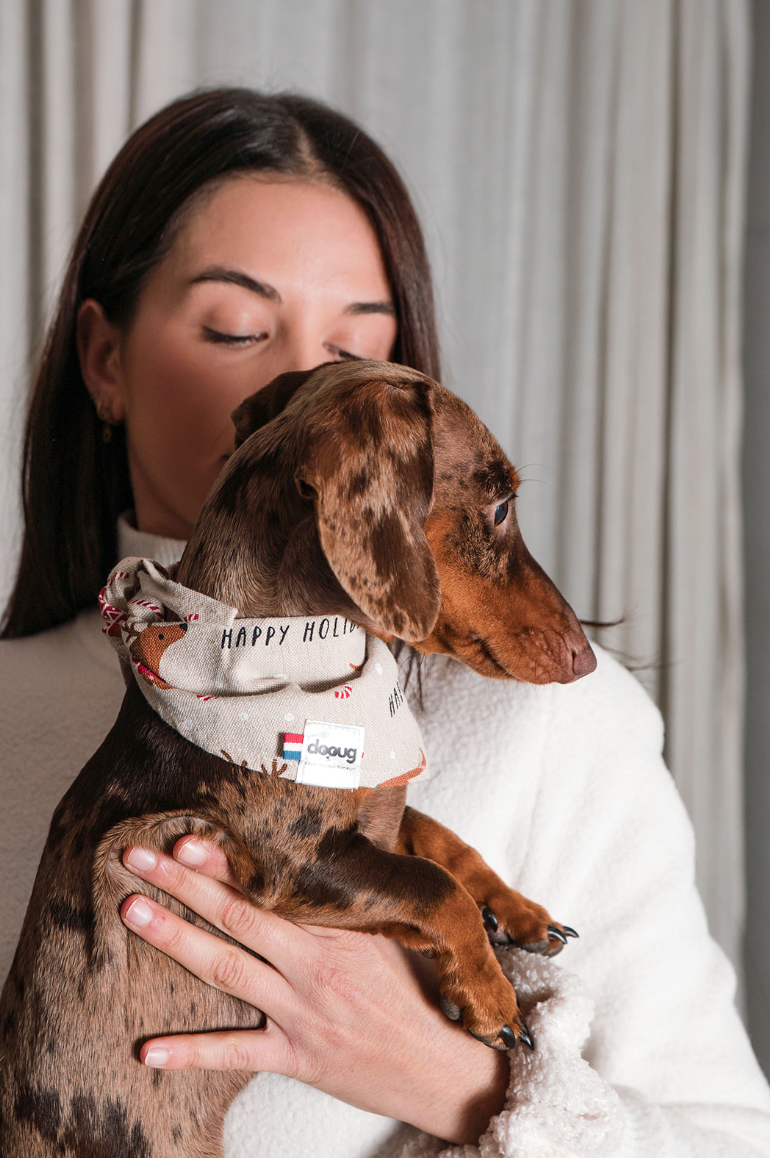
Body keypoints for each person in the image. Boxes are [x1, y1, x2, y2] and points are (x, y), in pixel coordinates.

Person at [2, 87, 769, 1157]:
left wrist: (441, 1075)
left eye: (358, 345)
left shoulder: (545, 720)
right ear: (105, 362)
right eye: (236, 326)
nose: (305, 384)